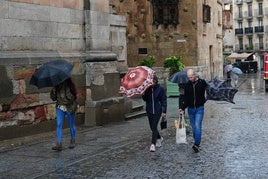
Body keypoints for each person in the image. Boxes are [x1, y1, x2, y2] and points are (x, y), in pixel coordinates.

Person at [179, 69, 207, 153]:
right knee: (194, 128)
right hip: (190, 109)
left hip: (199, 108)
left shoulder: (202, 83)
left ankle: (196, 144)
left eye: (191, 77)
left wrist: (204, 100)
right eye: (188, 77)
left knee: (198, 126)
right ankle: (196, 142)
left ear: (195, 75)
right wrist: (182, 108)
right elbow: (186, 98)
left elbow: (209, 90)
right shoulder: (187, 85)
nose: (190, 79)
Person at [50, 78, 78, 151]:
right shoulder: (56, 87)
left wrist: (66, 94)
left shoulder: (69, 86)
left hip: (69, 107)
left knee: (71, 124)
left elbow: (72, 98)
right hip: (60, 107)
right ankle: (59, 143)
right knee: (59, 124)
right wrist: (53, 92)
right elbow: (53, 98)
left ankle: (72, 140)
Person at [142, 75, 167, 152]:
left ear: (155, 81)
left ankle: (153, 144)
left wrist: (164, 111)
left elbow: (164, 100)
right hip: (149, 110)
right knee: (152, 127)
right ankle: (159, 137)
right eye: (149, 82)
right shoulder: (147, 89)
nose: (151, 83)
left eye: (152, 82)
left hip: (157, 110)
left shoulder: (160, 89)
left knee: (154, 126)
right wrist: (143, 94)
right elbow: (145, 99)